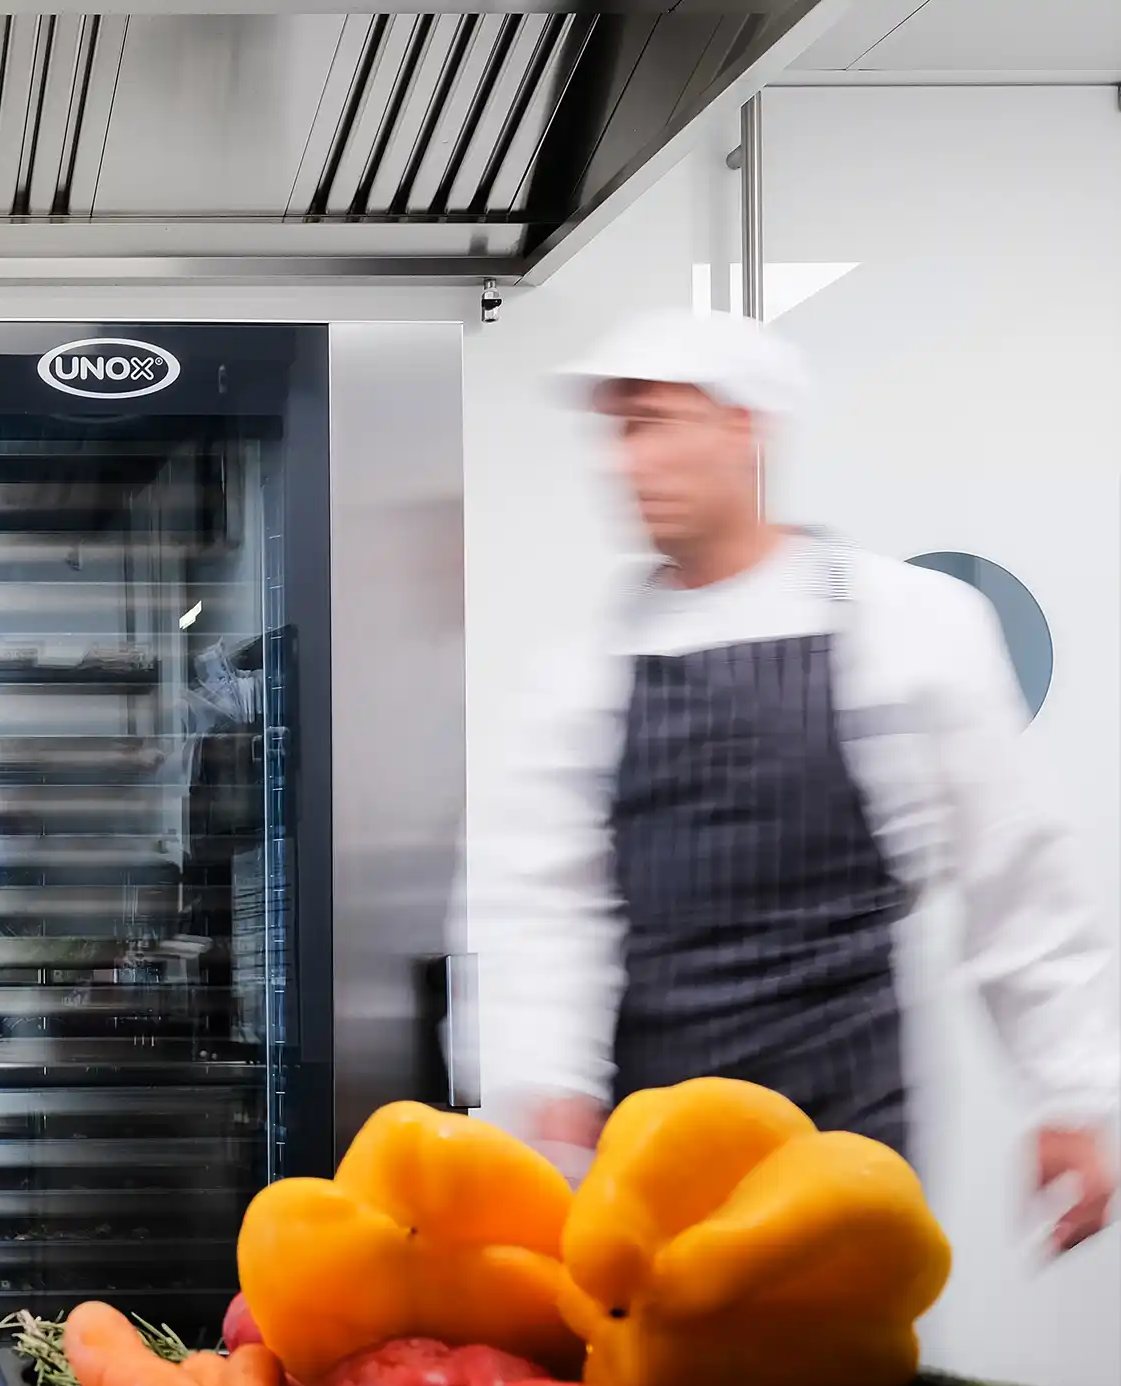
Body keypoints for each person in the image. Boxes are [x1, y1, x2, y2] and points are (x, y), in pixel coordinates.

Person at [479, 308, 1117, 1251]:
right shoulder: (584, 670)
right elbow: (538, 905)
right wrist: (550, 1098)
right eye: (616, 432)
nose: (625, 462)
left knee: (839, 1383)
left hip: (844, 1116)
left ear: (746, 427)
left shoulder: (910, 625)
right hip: (648, 1137)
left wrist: (1072, 1090)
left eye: (653, 422)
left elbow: (1016, 871)